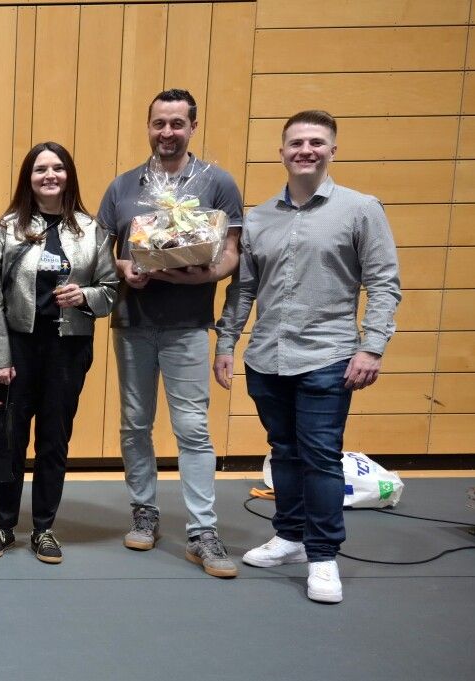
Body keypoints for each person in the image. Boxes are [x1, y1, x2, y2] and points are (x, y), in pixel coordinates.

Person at [217, 110, 401, 604]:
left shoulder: (360, 209)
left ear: (332, 151)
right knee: (283, 451)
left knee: (320, 456)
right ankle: (290, 537)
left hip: (328, 356)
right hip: (266, 358)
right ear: (281, 152)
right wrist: (226, 343)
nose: (306, 150)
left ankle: (322, 556)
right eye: (296, 142)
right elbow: (243, 289)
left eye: (316, 142)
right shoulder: (259, 218)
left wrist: (372, 347)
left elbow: (384, 283)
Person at [97, 89, 244, 577]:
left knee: (193, 428)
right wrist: (126, 267)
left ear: (193, 127)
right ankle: (144, 511)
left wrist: (204, 274)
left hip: (188, 325)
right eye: (159, 123)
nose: (167, 132)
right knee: (135, 424)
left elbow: (231, 252)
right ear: (148, 126)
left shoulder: (217, 182)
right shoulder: (123, 187)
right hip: (133, 323)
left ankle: (202, 531)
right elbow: (98, 253)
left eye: (177, 123)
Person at [0, 142, 118, 565]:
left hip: (68, 350)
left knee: (54, 440)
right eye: (41, 169)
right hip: (17, 348)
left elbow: (111, 291)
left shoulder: (92, 230)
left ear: (69, 175)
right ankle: (3, 526)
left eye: (58, 168)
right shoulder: (6, 229)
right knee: (9, 439)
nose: (50, 175)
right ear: (29, 177)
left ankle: (43, 529)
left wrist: (85, 295)